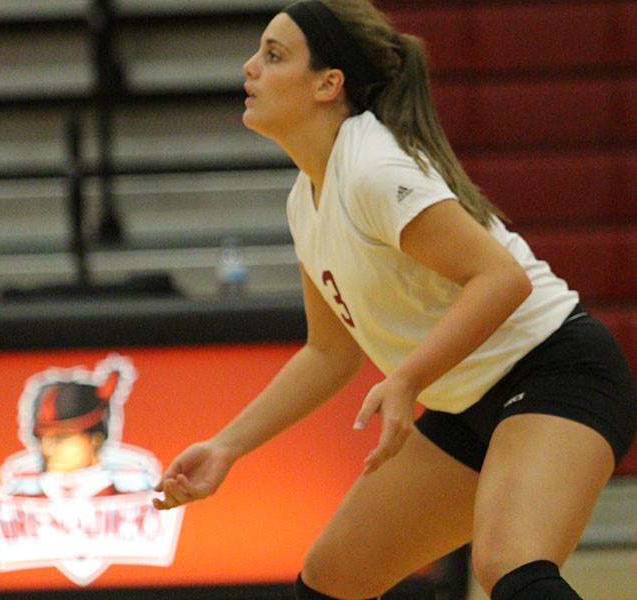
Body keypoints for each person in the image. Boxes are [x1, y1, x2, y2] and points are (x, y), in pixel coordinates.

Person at [151, 2, 637, 599]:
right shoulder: (306, 198)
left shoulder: (373, 169)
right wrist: (228, 445)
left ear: (329, 85)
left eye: (274, 55)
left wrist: (407, 378)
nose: (250, 67)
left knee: (511, 567)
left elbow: (502, 280)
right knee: (332, 580)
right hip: (469, 406)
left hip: (558, 372)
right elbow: (329, 354)